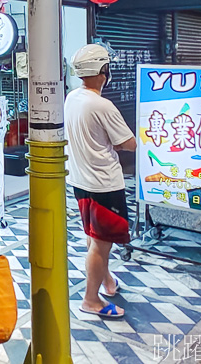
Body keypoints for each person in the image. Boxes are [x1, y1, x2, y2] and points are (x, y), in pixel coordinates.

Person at [65, 44, 137, 319]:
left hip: (80, 180)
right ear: (103, 71)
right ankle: (91, 299)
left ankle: (107, 283)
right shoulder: (102, 105)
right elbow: (128, 143)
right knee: (100, 243)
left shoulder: (73, 98)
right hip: (104, 184)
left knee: (94, 237)